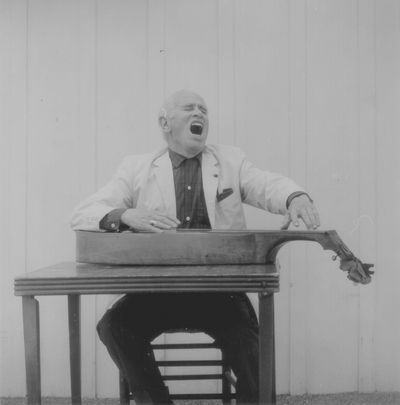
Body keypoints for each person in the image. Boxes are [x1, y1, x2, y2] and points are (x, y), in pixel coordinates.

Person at [70, 90, 320, 404]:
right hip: (155, 293)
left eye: (203, 109)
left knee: (250, 341)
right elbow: (81, 213)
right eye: (189, 108)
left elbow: (265, 184)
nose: (199, 113)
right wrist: (125, 214)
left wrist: (295, 197)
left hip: (220, 293)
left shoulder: (230, 160)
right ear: (164, 122)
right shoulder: (135, 168)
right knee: (114, 326)